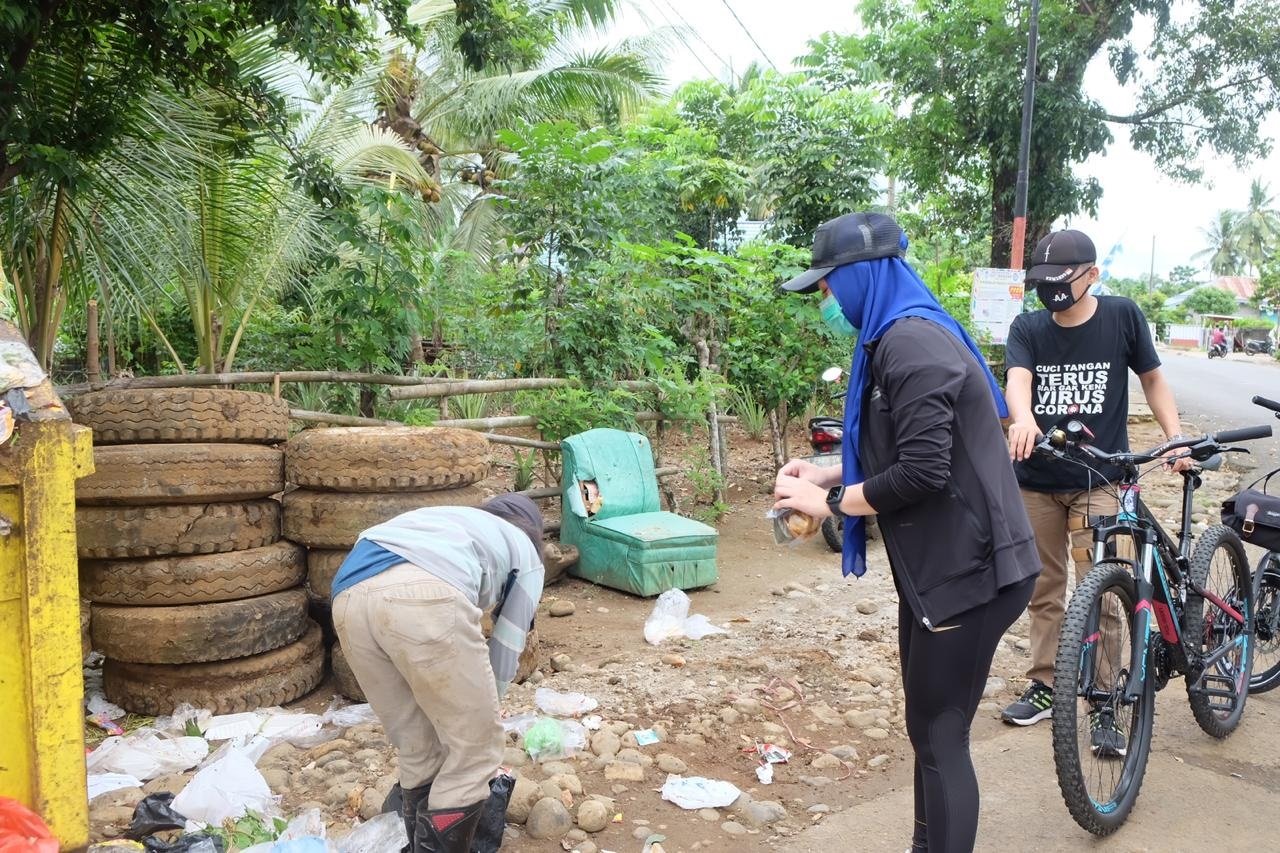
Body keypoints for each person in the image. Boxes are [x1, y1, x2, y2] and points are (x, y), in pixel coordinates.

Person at [774, 211, 1040, 853]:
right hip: (938, 569)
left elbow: (923, 471)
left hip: (973, 570)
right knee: (927, 728)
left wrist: (832, 500)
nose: (825, 301)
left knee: (942, 733)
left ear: (864, 276)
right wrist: (830, 465)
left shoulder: (910, 343)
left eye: (829, 286)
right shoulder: (891, 337)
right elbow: (903, 447)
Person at [1000, 229, 1188, 753]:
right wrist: (1023, 420)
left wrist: (1174, 439)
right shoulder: (1028, 327)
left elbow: (1152, 379)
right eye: (1043, 283)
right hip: (1037, 479)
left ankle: (1105, 700)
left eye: (1062, 281)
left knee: (1102, 590)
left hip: (1100, 480)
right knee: (1043, 590)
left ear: (1091, 275)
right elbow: (1018, 380)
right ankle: (1046, 684)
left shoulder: (1122, 316)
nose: (1052, 292)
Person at [330, 494, 545, 853]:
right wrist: (486, 708)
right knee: (475, 752)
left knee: (418, 745)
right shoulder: (527, 553)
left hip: (347, 592)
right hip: (423, 590)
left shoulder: (453, 520)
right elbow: (507, 648)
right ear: (536, 535)